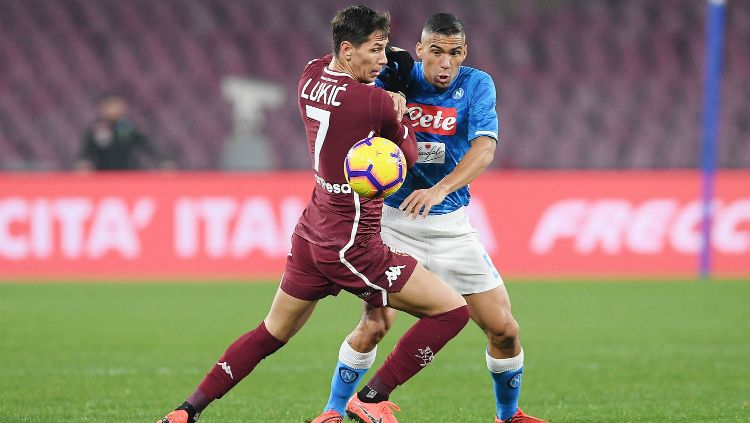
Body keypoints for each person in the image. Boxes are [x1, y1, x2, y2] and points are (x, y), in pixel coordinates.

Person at [156, 6, 470, 423]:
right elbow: (407, 157)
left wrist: (384, 50)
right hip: (353, 244)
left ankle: (186, 411)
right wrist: (400, 112)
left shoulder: (309, 76)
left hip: (312, 232)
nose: (381, 60)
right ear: (347, 49)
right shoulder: (374, 102)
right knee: (451, 312)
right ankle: (371, 397)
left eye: (383, 51)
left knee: (271, 332)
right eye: (374, 51)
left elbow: (340, 65)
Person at [312, 13, 547, 423]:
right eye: (435, 52)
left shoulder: (477, 84)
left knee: (505, 330)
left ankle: (508, 416)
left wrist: (439, 189)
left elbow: (485, 151)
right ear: (420, 50)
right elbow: (348, 75)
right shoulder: (394, 77)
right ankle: (333, 411)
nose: (445, 63)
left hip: (451, 225)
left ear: (464, 54)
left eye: (454, 54)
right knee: (376, 322)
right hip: (392, 222)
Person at [75, 94, 173, 171]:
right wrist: (82, 162)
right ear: (102, 108)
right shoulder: (96, 129)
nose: (113, 110)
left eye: (116, 106)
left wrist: (162, 160)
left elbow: (147, 145)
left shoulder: (129, 127)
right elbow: (85, 151)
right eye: (110, 106)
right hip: (103, 175)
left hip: (128, 174)